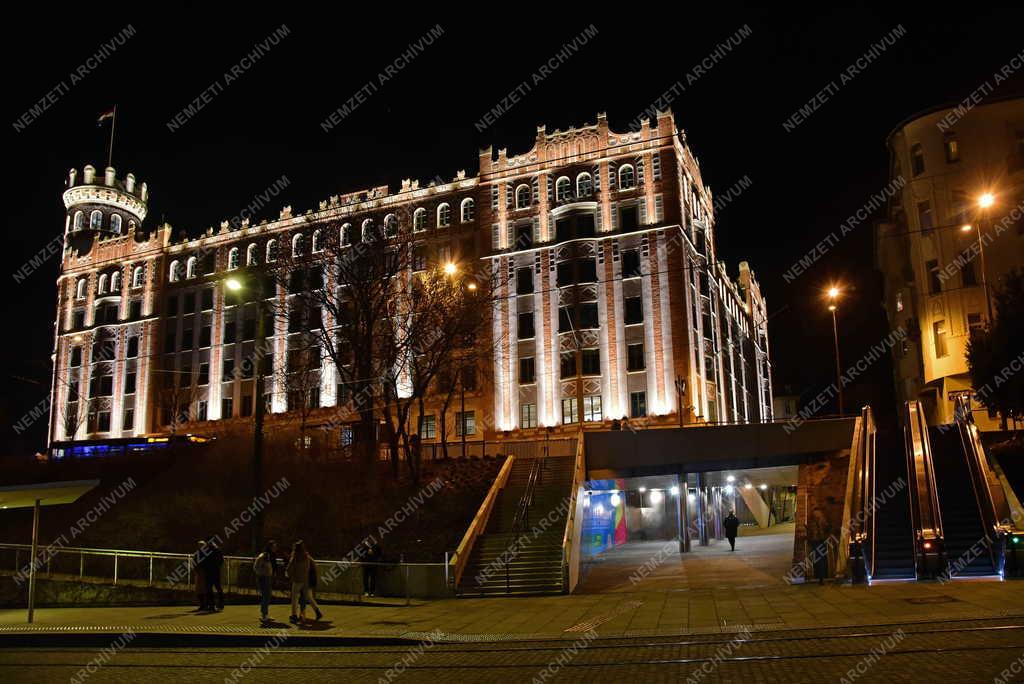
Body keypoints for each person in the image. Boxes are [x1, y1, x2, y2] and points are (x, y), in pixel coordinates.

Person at [286, 540, 321, 624]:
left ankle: (294, 615)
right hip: (305, 580)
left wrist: (289, 575)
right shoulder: (306, 556)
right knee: (308, 597)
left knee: (294, 598)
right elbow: (308, 568)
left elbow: (289, 568)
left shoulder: (295, 557)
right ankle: (317, 611)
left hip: (297, 580)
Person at [807, 507, 833, 585]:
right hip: (819, 541)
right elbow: (827, 529)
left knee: (819, 559)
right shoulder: (821, 520)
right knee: (820, 559)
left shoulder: (815, 521)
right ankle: (821, 577)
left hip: (817, 541)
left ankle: (820, 577)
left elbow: (811, 532)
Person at [254, 540, 277, 623]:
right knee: (266, 595)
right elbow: (256, 566)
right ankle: (264, 615)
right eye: (274, 547)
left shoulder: (269, 555)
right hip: (264, 577)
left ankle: (265, 614)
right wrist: (262, 573)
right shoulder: (264, 555)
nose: (275, 548)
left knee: (267, 595)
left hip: (267, 577)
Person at [201, 537, 225, 611]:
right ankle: (221, 603)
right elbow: (221, 560)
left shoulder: (206, 551)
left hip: (208, 571)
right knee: (218, 587)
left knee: (209, 588)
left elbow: (203, 562)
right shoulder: (218, 550)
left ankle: (211, 604)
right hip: (216, 571)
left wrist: (204, 568)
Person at [192, 540, 209, 610]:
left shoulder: (199, 554)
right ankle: (204, 604)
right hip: (202, 572)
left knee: (201, 589)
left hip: (202, 572)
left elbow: (194, 563)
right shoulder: (205, 554)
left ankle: (203, 604)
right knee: (202, 589)